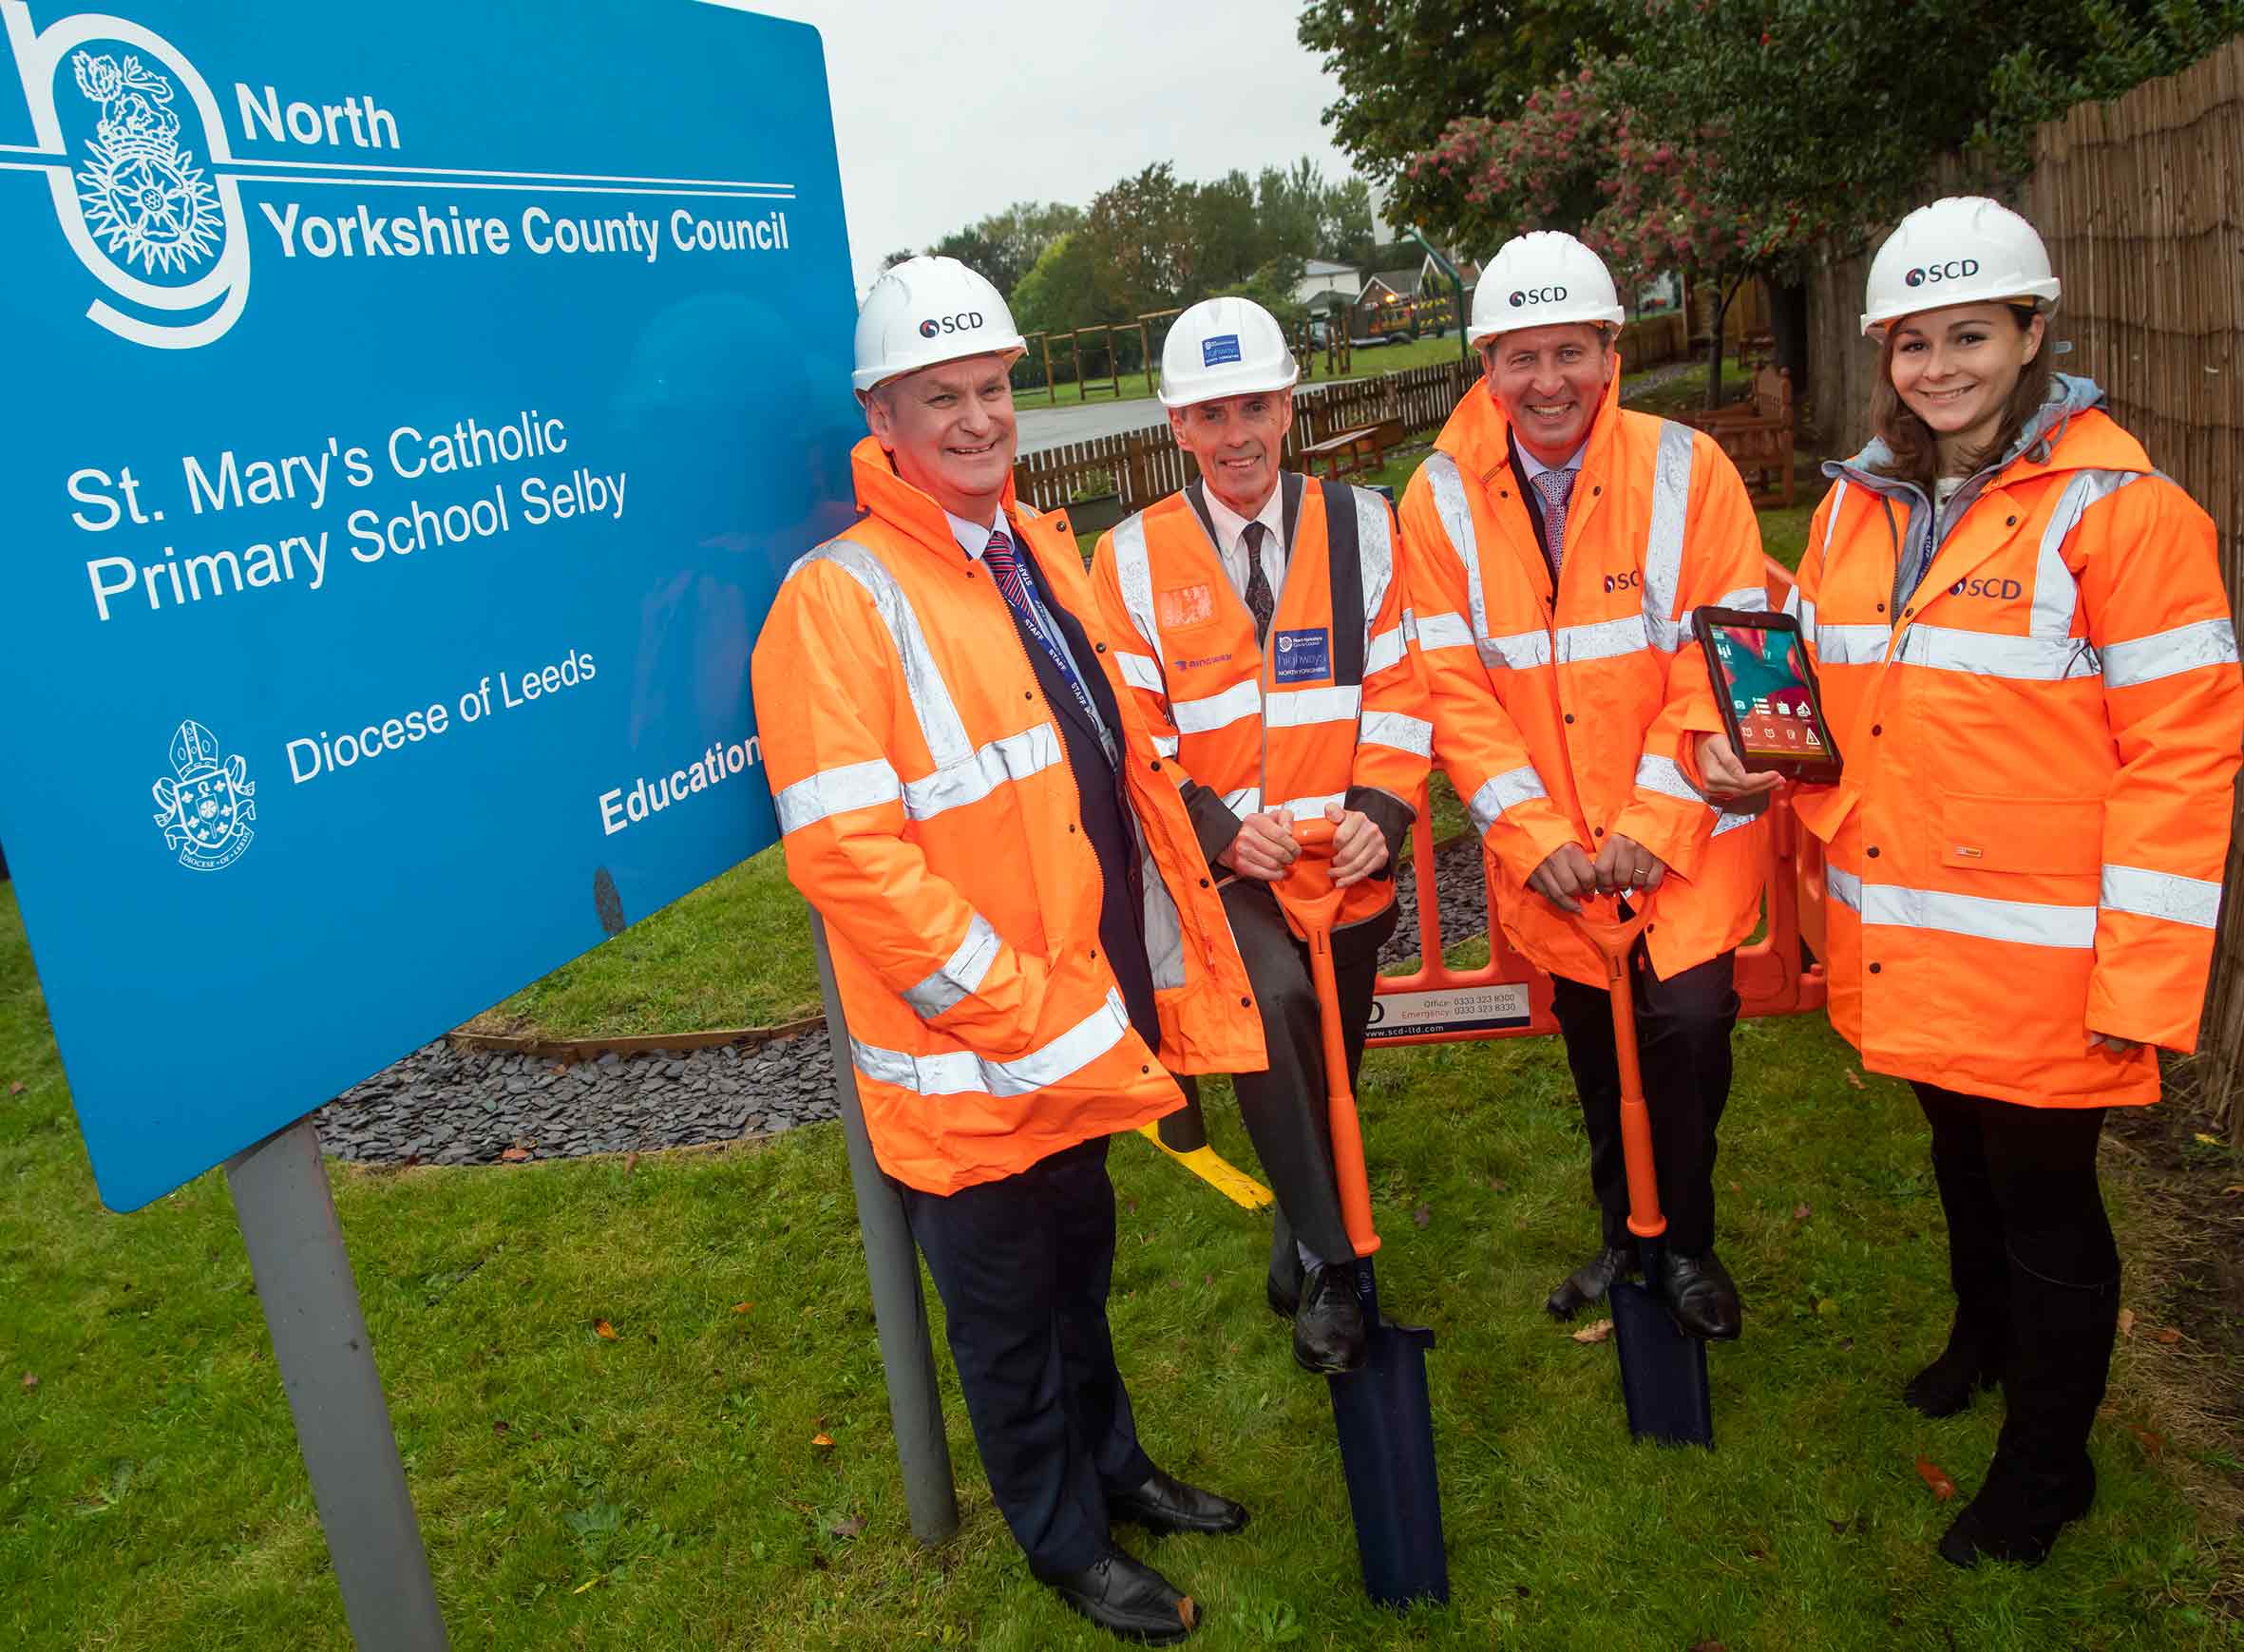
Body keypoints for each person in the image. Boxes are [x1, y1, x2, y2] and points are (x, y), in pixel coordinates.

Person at [751, 256, 1268, 1644]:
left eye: (991, 388)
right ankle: (1062, 1539)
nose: (977, 418)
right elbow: (849, 858)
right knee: (1005, 1320)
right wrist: (1017, 1007)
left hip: (1075, 1019)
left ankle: (1118, 1468)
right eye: (942, 397)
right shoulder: (835, 600)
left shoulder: (1030, 548)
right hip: (972, 1055)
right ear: (883, 413)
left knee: (1078, 1277)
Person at [1788, 196, 2241, 1567]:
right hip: (1911, 936)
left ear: (2034, 333)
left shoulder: (2126, 513)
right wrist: (1756, 747)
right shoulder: (1856, 507)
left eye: (1970, 335)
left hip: (2051, 962)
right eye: (1914, 342)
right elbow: (1829, 697)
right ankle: (1978, 1342)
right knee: (1956, 1159)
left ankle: (2046, 1471)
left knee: (2047, 1207)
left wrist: (2141, 984)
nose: (1939, 367)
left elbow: (2184, 757)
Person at [1398, 231, 1778, 1340]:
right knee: (1589, 1034)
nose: (1546, 381)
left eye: (1569, 350)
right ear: (1486, 364)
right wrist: (1533, 834)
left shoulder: (1686, 469)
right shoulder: (1439, 497)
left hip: (1679, 838)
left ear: (1609, 351)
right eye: (1520, 356)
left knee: (1688, 1025)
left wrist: (1652, 825)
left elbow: (1721, 654)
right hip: (1555, 853)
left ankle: (1687, 1240)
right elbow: (1450, 682)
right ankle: (1627, 1234)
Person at [1091, 296, 1430, 1374]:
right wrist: (1221, 831)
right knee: (1275, 1001)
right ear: (1176, 426)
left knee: (1333, 1038)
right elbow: (1134, 732)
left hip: (1344, 851)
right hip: (1221, 865)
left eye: (1254, 405)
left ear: (1289, 403)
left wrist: (1380, 808)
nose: (1236, 433)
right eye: (1209, 413)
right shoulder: (1132, 556)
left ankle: (1296, 1227)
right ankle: (1338, 1262)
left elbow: (1403, 682)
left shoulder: (1362, 524)